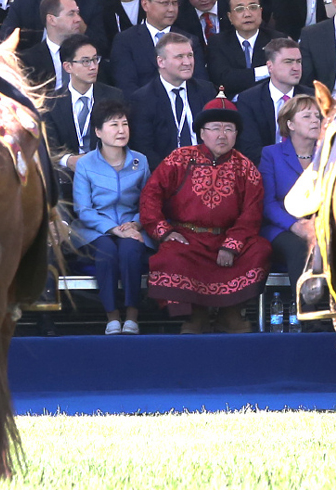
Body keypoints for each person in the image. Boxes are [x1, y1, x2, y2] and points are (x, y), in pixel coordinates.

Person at [140, 91, 271, 334]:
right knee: (171, 256)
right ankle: (194, 317)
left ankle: (229, 314)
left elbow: (252, 213)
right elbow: (151, 195)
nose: (222, 135)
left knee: (260, 250)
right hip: (187, 237)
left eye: (229, 129)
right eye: (215, 128)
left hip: (227, 238)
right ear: (201, 132)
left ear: (237, 134)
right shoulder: (179, 159)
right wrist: (164, 231)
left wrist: (231, 245)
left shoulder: (246, 167)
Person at [71, 99, 153, 335]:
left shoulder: (140, 160)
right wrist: (113, 228)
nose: (120, 130)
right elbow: (84, 210)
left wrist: (136, 223)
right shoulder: (86, 164)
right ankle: (112, 316)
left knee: (130, 250)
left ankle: (132, 316)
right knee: (107, 252)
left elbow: (148, 201)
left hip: (132, 224)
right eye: (113, 125)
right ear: (98, 131)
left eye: (124, 124)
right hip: (95, 228)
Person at [129, 32, 216, 170]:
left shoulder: (206, 90)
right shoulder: (143, 99)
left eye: (190, 55)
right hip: (167, 174)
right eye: (179, 57)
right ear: (161, 62)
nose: (187, 62)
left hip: (206, 169)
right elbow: (144, 148)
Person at [258, 95, 320, 286]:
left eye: (318, 116)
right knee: (300, 248)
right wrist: (296, 226)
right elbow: (268, 204)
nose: (315, 121)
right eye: (307, 116)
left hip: (320, 226)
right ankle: (306, 312)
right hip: (280, 227)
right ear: (290, 124)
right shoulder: (271, 154)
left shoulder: (328, 153)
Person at [110, 0, 207, 96]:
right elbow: (126, 85)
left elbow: (200, 82)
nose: (171, 9)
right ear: (145, 5)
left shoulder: (189, 39)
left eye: (175, 3)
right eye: (165, 3)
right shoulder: (125, 40)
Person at [44, 33, 123, 174]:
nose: (93, 66)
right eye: (85, 61)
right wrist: (68, 160)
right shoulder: (51, 102)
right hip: (66, 175)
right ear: (68, 67)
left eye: (95, 60)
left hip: (105, 171)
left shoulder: (114, 97)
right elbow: (50, 145)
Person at [236, 37, 312, 165]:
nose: (296, 67)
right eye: (288, 62)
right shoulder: (249, 99)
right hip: (266, 168)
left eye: (298, 61)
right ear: (270, 66)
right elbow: (250, 149)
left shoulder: (312, 97)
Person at [206, 0, 285, 96]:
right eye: (239, 9)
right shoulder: (217, 42)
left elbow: (283, 75)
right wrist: (267, 70)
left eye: (253, 7)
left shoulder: (277, 40)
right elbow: (223, 79)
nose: (247, 14)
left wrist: (241, 77)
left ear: (260, 11)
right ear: (230, 17)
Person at [19, 0, 84, 90]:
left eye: (77, 13)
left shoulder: (89, 52)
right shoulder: (27, 60)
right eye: (71, 14)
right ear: (52, 20)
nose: (78, 19)